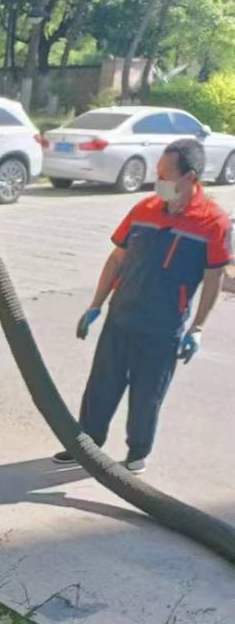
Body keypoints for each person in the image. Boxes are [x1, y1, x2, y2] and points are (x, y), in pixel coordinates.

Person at [54, 137, 232, 473]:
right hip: (121, 316)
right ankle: (86, 445)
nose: (158, 181)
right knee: (101, 385)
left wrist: (198, 328)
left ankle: (136, 455)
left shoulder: (213, 223)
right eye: (158, 173)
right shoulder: (144, 209)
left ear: (190, 178)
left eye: (166, 175)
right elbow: (116, 259)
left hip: (163, 327)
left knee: (147, 393)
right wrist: (95, 306)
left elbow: (213, 279)